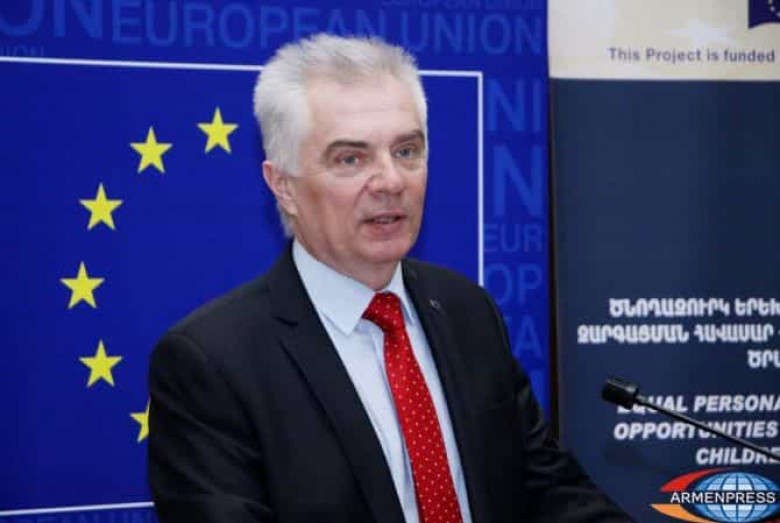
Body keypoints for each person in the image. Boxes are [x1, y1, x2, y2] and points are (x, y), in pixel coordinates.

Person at [148, 33, 633, 523]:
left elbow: (548, 490)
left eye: (406, 151)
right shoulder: (212, 364)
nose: (391, 181)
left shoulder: (468, 310)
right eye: (350, 158)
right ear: (284, 186)